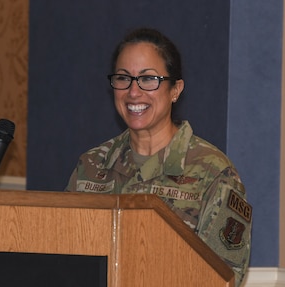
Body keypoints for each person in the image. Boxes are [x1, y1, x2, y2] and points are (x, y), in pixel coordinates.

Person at [65, 27, 251, 286]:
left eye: (148, 79)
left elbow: (222, 276)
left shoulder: (213, 172)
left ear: (175, 89)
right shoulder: (91, 165)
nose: (133, 92)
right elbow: (64, 257)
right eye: (123, 78)